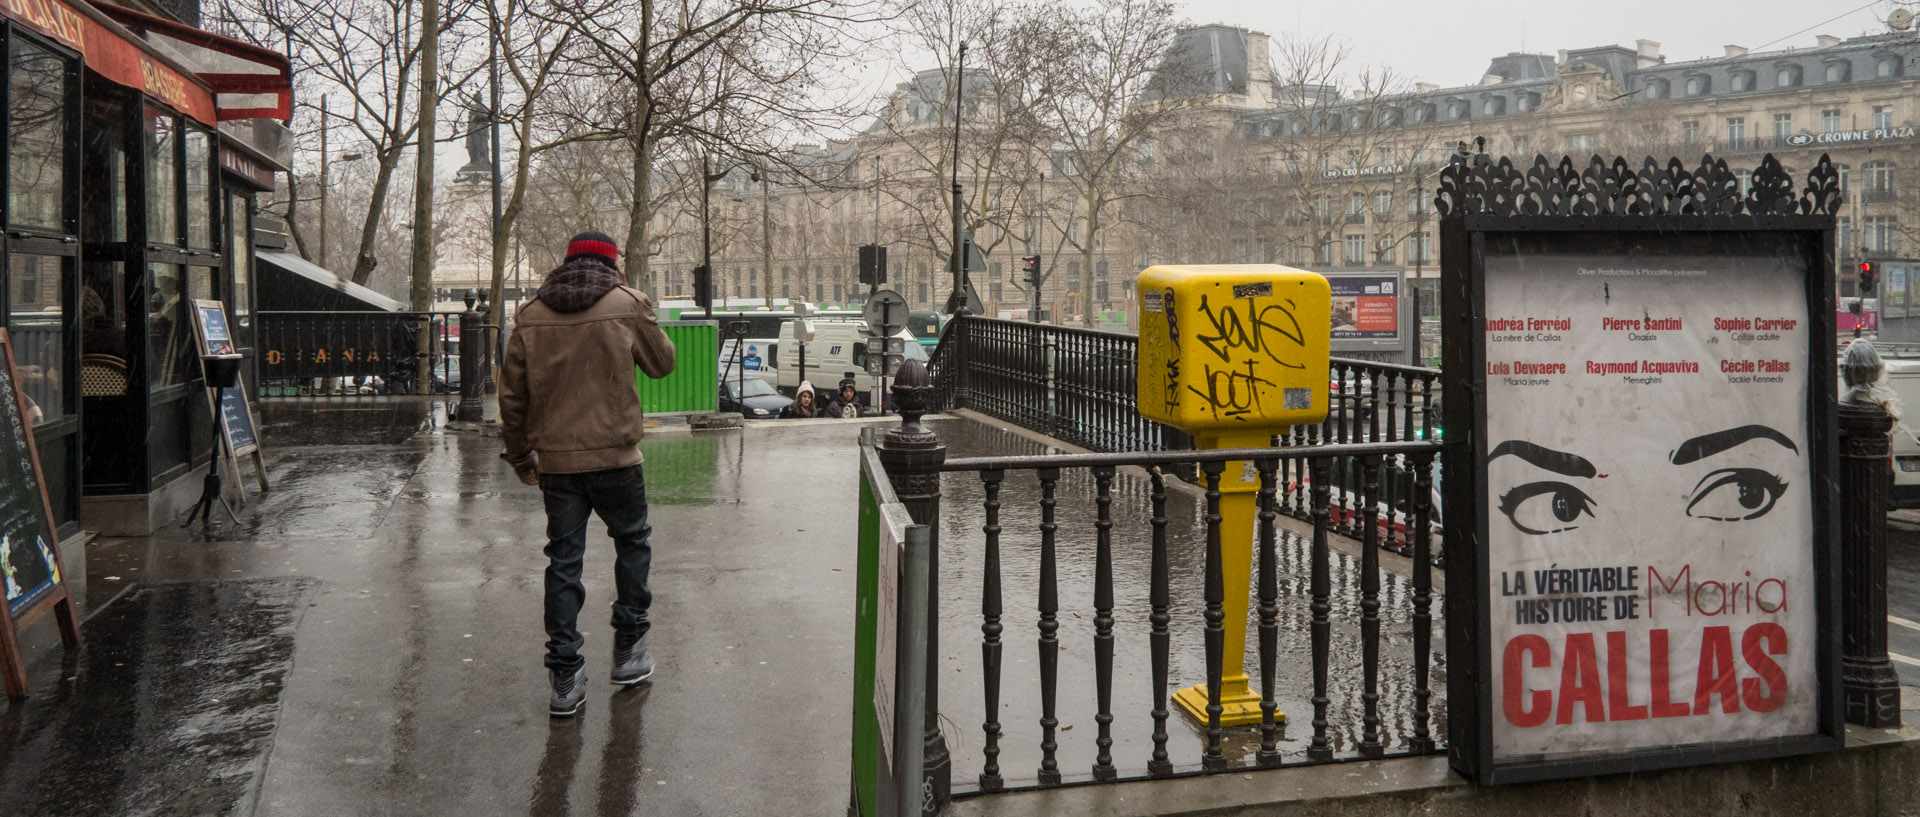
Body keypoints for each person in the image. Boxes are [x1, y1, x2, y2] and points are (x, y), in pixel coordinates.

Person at [500, 230, 677, 718]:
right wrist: (633, 301)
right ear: (613, 264)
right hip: (617, 457)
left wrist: (520, 458)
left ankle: (565, 676)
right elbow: (663, 364)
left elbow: (512, 398)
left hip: (557, 463)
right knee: (633, 543)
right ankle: (629, 648)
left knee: (563, 562)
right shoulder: (627, 301)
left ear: (566, 261)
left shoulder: (532, 314)